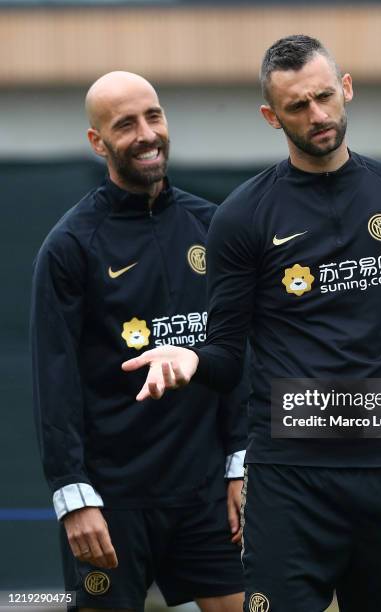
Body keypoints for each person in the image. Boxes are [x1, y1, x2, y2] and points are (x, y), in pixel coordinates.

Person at [122, 36, 381, 612]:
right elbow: (224, 354)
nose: (317, 115)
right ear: (271, 116)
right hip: (290, 480)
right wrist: (190, 359)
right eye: (296, 106)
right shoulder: (243, 215)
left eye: (323, 97)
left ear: (346, 87)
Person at [31, 71, 246, 612]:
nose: (146, 134)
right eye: (125, 125)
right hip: (112, 501)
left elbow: (239, 356)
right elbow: (53, 381)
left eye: (153, 116)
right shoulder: (70, 246)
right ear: (97, 142)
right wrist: (73, 495)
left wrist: (242, 463)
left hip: (206, 493)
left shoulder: (212, 225)